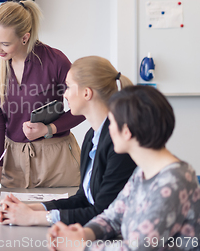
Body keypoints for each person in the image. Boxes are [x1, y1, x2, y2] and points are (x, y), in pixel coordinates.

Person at [47, 86, 200, 251]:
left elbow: (136, 248)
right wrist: (83, 233)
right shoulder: (142, 173)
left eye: (111, 122)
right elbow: (113, 217)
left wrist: (80, 246)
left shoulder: (173, 181)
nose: (108, 129)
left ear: (126, 132)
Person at [0, 56, 136, 226]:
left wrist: (33, 218)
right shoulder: (92, 137)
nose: (64, 94)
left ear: (86, 93)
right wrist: (30, 208)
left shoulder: (119, 143)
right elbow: (83, 199)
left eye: (68, 87)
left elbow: (102, 212)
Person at [0, 0, 85, 188]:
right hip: (13, 162)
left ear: (25, 37)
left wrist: (49, 129)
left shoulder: (55, 61)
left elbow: (86, 106)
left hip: (57, 161)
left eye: (4, 43)